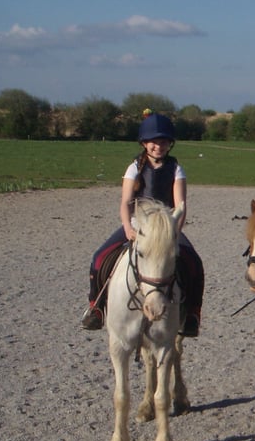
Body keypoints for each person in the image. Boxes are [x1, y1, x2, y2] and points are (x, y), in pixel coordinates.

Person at [81, 112, 204, 337]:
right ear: (145, 143)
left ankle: (193, 315)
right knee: (99, 257)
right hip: (138, 224)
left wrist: (174, 232)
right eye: (154, 142)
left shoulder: (176, 169)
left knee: (194, 262)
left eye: (164, 141)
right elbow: (125, 202)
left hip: (166, 227)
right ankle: (96, 307)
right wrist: (127, 227)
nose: (159, 146)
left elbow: (180, 206)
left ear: (170, 144)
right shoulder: (134, 168)